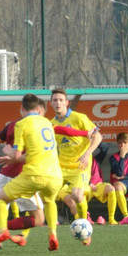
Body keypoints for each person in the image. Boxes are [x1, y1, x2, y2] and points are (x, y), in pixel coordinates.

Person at [0, 93, 63, 252]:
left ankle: (2, 232)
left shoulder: (21, 125)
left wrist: (9, 152)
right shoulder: (47, 122)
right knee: (49, 202)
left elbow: (15, 155)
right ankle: (53, 234)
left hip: (34, 174)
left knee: (1, 199)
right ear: (38, 109)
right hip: (55, 175)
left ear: (21, 109)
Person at [50, 87, 102, 239]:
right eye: (55, 100)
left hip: (79, 166)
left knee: (78, 195)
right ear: (50, 104)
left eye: (61, 100)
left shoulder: (79, 118)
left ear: (67, 102)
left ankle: (84, 224)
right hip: (61, 167)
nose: (58, 103)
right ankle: (50, 231)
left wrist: (87, 153)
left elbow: (97, 137)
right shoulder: (51, 124)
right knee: (44, 192)